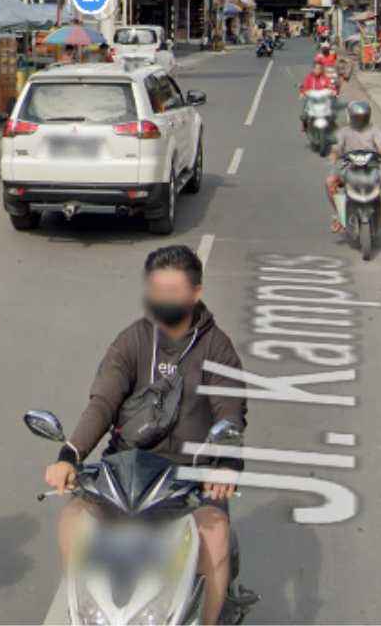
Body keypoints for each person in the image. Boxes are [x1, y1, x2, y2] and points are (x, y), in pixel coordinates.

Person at [42, 246, 245, 626]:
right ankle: (81, 615)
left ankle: (208, 620)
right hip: (125, 473)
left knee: (215, 536)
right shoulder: (132, 340)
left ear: (196, 293)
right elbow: (103, 402)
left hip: (188, 477)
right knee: (72, 519)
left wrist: (226, 463)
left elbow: (230, 412)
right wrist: (70, 454)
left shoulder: (217, 348)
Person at [324, 99, 381, 238]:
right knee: (330, 181)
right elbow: (336, 148)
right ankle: (340, 215)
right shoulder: (344, 132)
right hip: (348, 168)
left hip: (373, 169)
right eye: (357, 117)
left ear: (368, 116)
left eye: (363, 117)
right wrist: (333, 156)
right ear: (351, 116)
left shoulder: (374, 130)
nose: (360, 120)